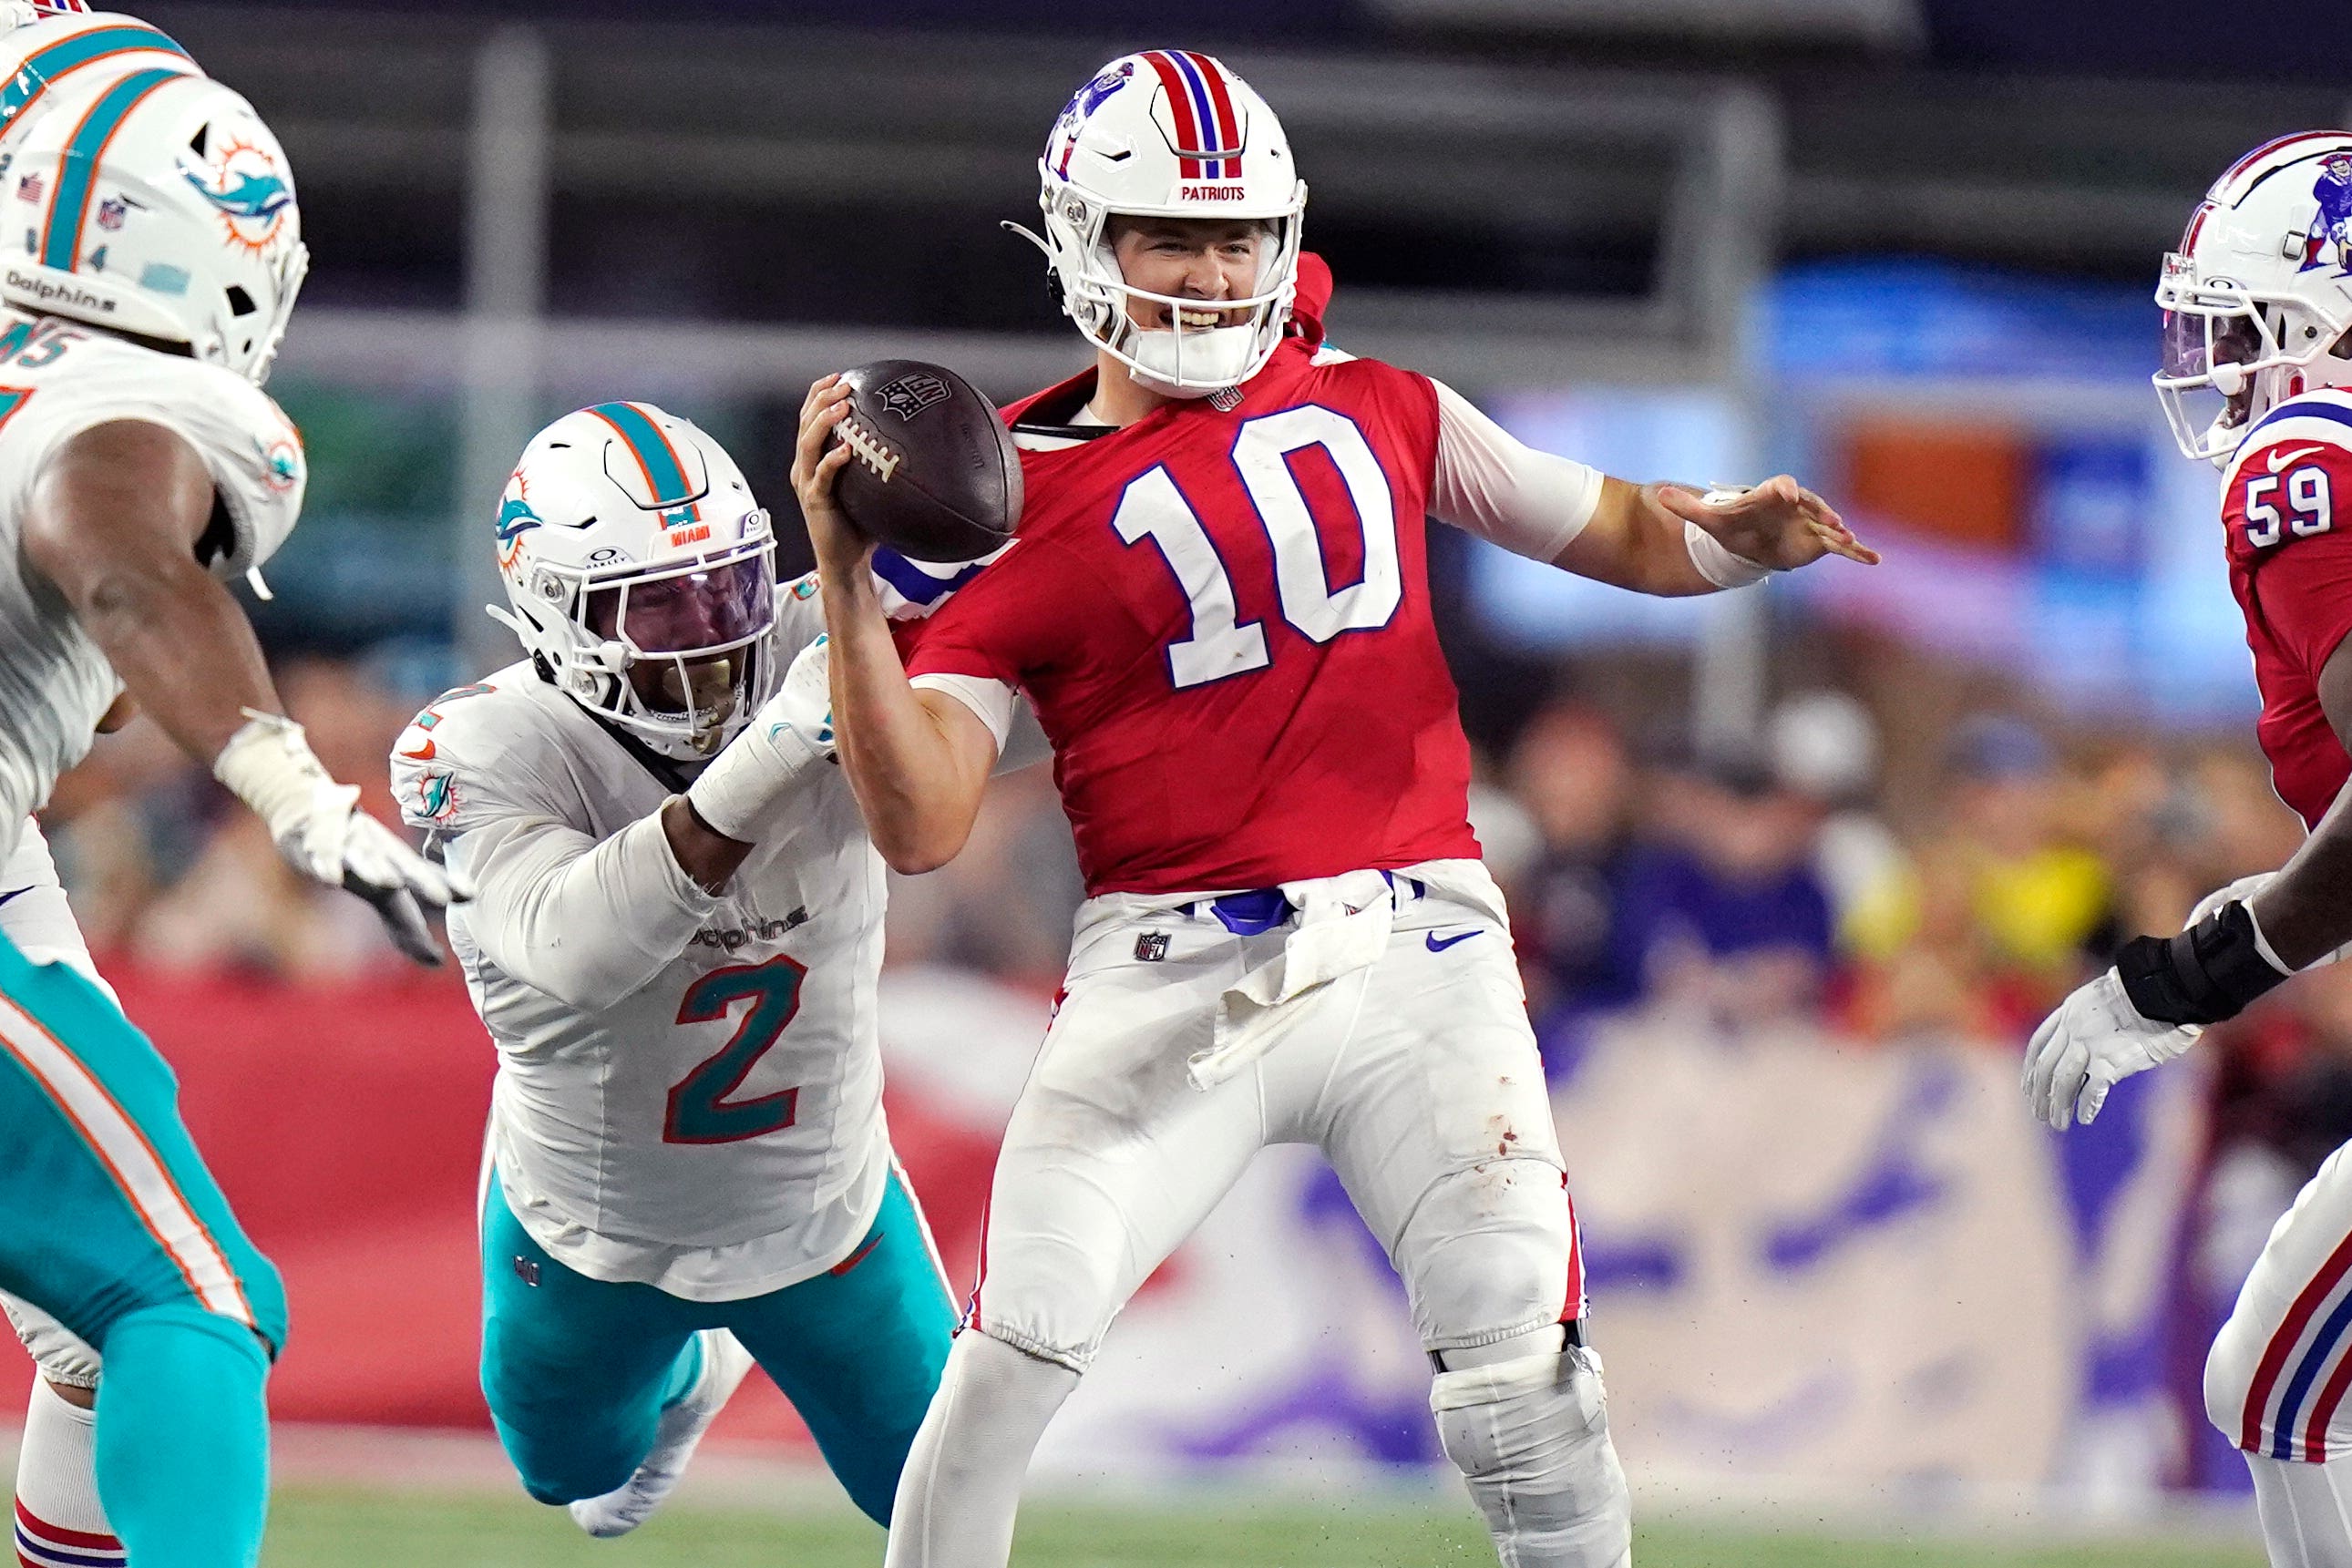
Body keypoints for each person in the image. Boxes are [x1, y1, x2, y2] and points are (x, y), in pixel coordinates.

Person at [793, 50, 1874, 1568]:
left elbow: (1616, 528)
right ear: (1080, 244)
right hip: (1169, 983)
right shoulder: (1010, 512)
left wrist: (1734, 548)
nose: (1217, 265)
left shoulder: (1385, 402)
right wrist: (848, 587)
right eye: (1174, 232)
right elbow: (921, 821)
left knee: (1528, 1382)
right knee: (1007, 1363)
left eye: (1240, 233)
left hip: (1418, 944)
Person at [388, 404, 1032, 1537]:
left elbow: (1024, 540)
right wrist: (774, 749)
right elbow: (573, 951)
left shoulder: (821, 629)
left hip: (824, 1207)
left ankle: (718, 1356)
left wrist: (925, 456)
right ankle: (691, 1379)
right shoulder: (482, 747)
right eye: (657, 603)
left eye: (724, 587)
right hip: (591, 1226)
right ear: (553, 612)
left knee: (949, 1514)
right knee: (567, 1475)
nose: (706, 634)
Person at [0, 38, 464, 1568]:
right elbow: (114, 549)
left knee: (93, 1323)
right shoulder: (136, 405)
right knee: (192, 1302)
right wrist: (290, 784)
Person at [2025, 130, 2352, 1568]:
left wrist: (2210, 963)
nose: (2224, 367)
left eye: (2248, 328)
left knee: (2280, 1383)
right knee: (2277, 1383)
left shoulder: (2307, 463)